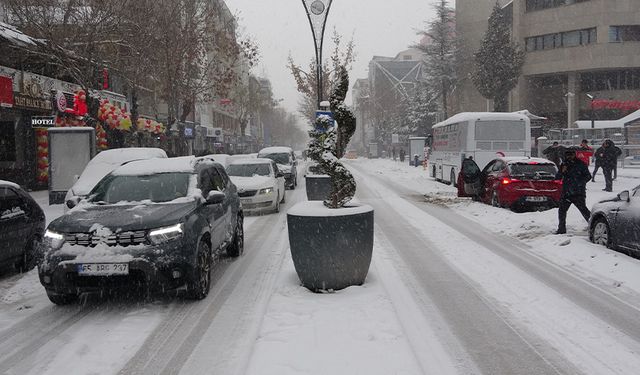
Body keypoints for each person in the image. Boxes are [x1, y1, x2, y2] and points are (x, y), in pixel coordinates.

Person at [555, 148, 592, 234]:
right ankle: (561, 229)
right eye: (567, 155)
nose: (569, 157)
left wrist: (579, 183)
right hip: (566, 192)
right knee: (562, 211)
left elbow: (588, 176)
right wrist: (562, 171)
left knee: (584, 210)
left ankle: (593, 225)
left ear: (574, 155)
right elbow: (558, 177)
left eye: (571, 155)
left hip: (578, 193)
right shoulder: (564, 164)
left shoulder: (581, 164)